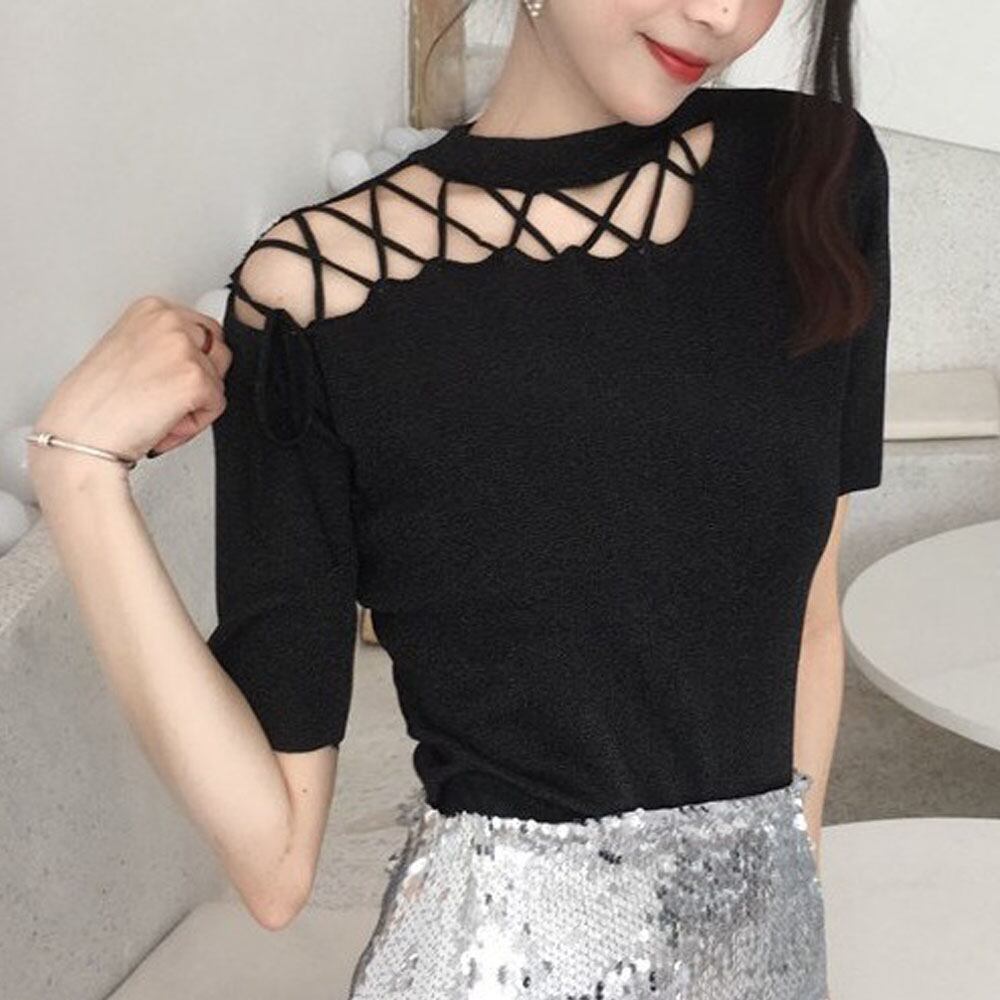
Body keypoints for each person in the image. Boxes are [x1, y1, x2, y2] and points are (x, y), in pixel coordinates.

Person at [27, 0, 891, 997]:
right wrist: (77, 476)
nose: (719, 13)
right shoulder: (321, 292)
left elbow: (808, 617)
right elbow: (274, 860)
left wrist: (775, 928)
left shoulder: (813, 176)